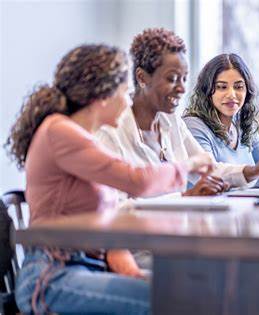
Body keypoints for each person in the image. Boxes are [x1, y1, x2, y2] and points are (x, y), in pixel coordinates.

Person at [5, 44, 212, 314]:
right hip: (50, 278)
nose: (128, 102)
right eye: (125, 93)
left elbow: (109, 217)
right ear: (103, 95)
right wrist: (190, 165)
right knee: (170, 301)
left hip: (84, 267)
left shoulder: (82, 139)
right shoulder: (60, 132)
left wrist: (130, 271)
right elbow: (138, 181)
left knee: (187, 293)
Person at [95, 28, 259, 196]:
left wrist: (251, 171)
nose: (182, 88)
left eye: (184, 78)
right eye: (172, 79)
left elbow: (207, 167)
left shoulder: (171, 120)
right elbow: (115, 207)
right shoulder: (110, 133)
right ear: (142, 78)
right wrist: (186, 197)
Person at [183, 53, 259, 187]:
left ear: (247, 91)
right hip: (206, 207)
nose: (231, 95)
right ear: (207, 91)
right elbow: (212, 178)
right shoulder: (193, 125)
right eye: (222, 87)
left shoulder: (243, 125)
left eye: (239, 87)